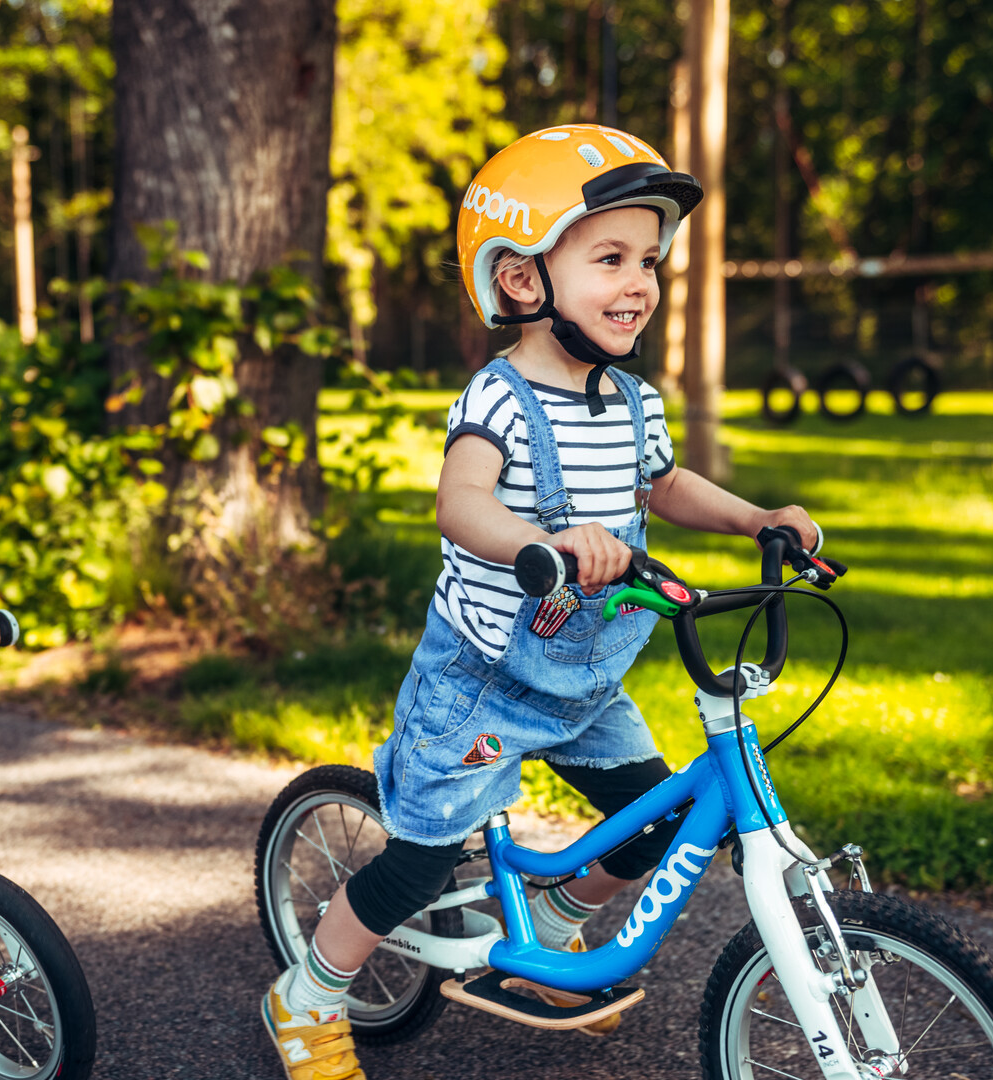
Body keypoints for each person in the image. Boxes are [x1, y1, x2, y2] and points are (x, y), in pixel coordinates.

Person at [261, 125, 825, 1080]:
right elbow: (461, 503)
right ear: (524, 281)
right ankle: (308, 995)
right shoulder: (500, 398)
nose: (640, 280)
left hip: (585, 677)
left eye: (647, 258)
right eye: (609, 257)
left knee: (651, 821)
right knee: (421, 867)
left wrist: (757, 518)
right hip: (479, 679)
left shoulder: (634, 401)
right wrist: (543, 543)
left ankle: (555, 925)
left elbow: (667, 485)